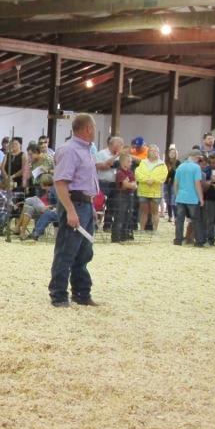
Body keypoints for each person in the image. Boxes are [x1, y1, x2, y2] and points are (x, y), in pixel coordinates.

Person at [48, 113, 99, 308]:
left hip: (84, 204)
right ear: (88, 129)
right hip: (74, 203)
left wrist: (90, 207)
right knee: (66, 251)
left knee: (84, 252)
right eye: (94, 128)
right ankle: (59, 294)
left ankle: (81, 293)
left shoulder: (86, 150)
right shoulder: (69, 150)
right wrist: (70, 210)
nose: (94, 131)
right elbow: (61, 183)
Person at [173, 150, 205, 247]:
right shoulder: (196, 167)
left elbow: (176, 183)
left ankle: (178, 240)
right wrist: (201, 198)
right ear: (196, 157)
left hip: (181, 197)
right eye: (199, 158)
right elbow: (197, 183)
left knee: (180, 220)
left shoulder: (180, 167)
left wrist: (177, 195)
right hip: (192, 198)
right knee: (196, 220)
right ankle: (199, 241)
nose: (199, 160)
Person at [135, 144, 167, 232]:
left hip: (155, 192)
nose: (154, 152)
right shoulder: (143, 162)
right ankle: (142, 229)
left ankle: (155, 229)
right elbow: (138, 174)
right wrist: (146, 180)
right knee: (143, 211)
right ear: (148, 152)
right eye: (152, 150)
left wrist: (153, 180)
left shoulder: (162, 164)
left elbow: (163, 176)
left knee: (155, 212)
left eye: (156, 151)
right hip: (143, 190)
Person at [95, 136, 124, 230]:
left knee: (112, 205)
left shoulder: (121, 156)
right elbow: (99, 166)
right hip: (103, 183)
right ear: (112, 145)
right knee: (99, 204)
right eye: (119, 145)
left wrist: (111, 165)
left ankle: (107, 225)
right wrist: (112, 163)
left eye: (121, 145)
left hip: (115, 183)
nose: (121, 147)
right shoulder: (101, 153)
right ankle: (96, 223)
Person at [111, 151, 136, 243]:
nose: (130, 163)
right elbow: (126, 185)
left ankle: (124, 236)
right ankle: (116, 237)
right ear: (123, 162)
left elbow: (134, 184)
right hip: (121, 196)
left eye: (131, 161)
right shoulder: (120, 172)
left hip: (129, 196)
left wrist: (130, 184)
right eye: (128, 161)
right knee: (119, 216)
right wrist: (130, 184)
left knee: (127, 216)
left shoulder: (130, 172)